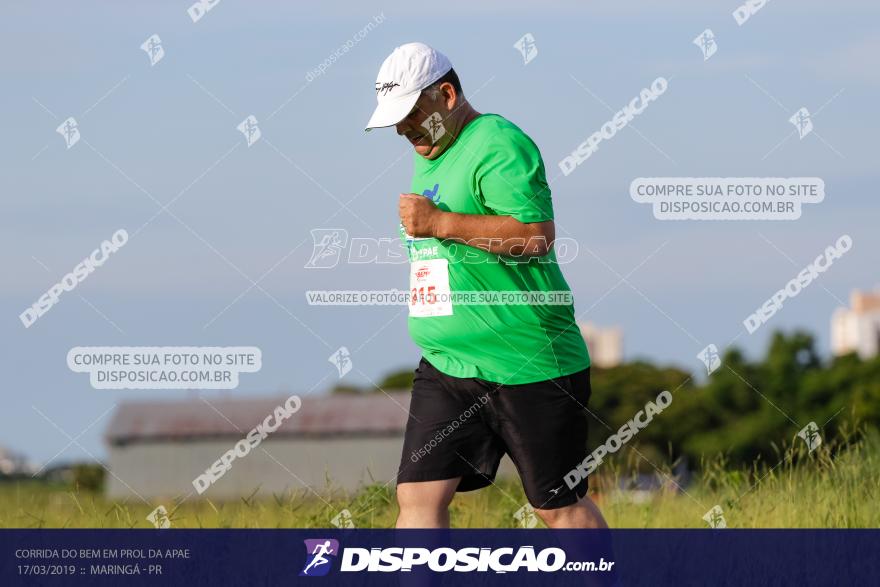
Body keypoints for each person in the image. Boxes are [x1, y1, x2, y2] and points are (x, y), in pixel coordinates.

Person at [365, 42, 607, 530]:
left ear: (447, 95)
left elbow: (535, 237)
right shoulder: (431, 150)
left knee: (556, 507)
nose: (401, 128)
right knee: (416, 497)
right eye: (395, 119)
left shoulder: (497, 143)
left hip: (526, 362)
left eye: (411, 114)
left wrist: (438, 223)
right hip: (448, 365)